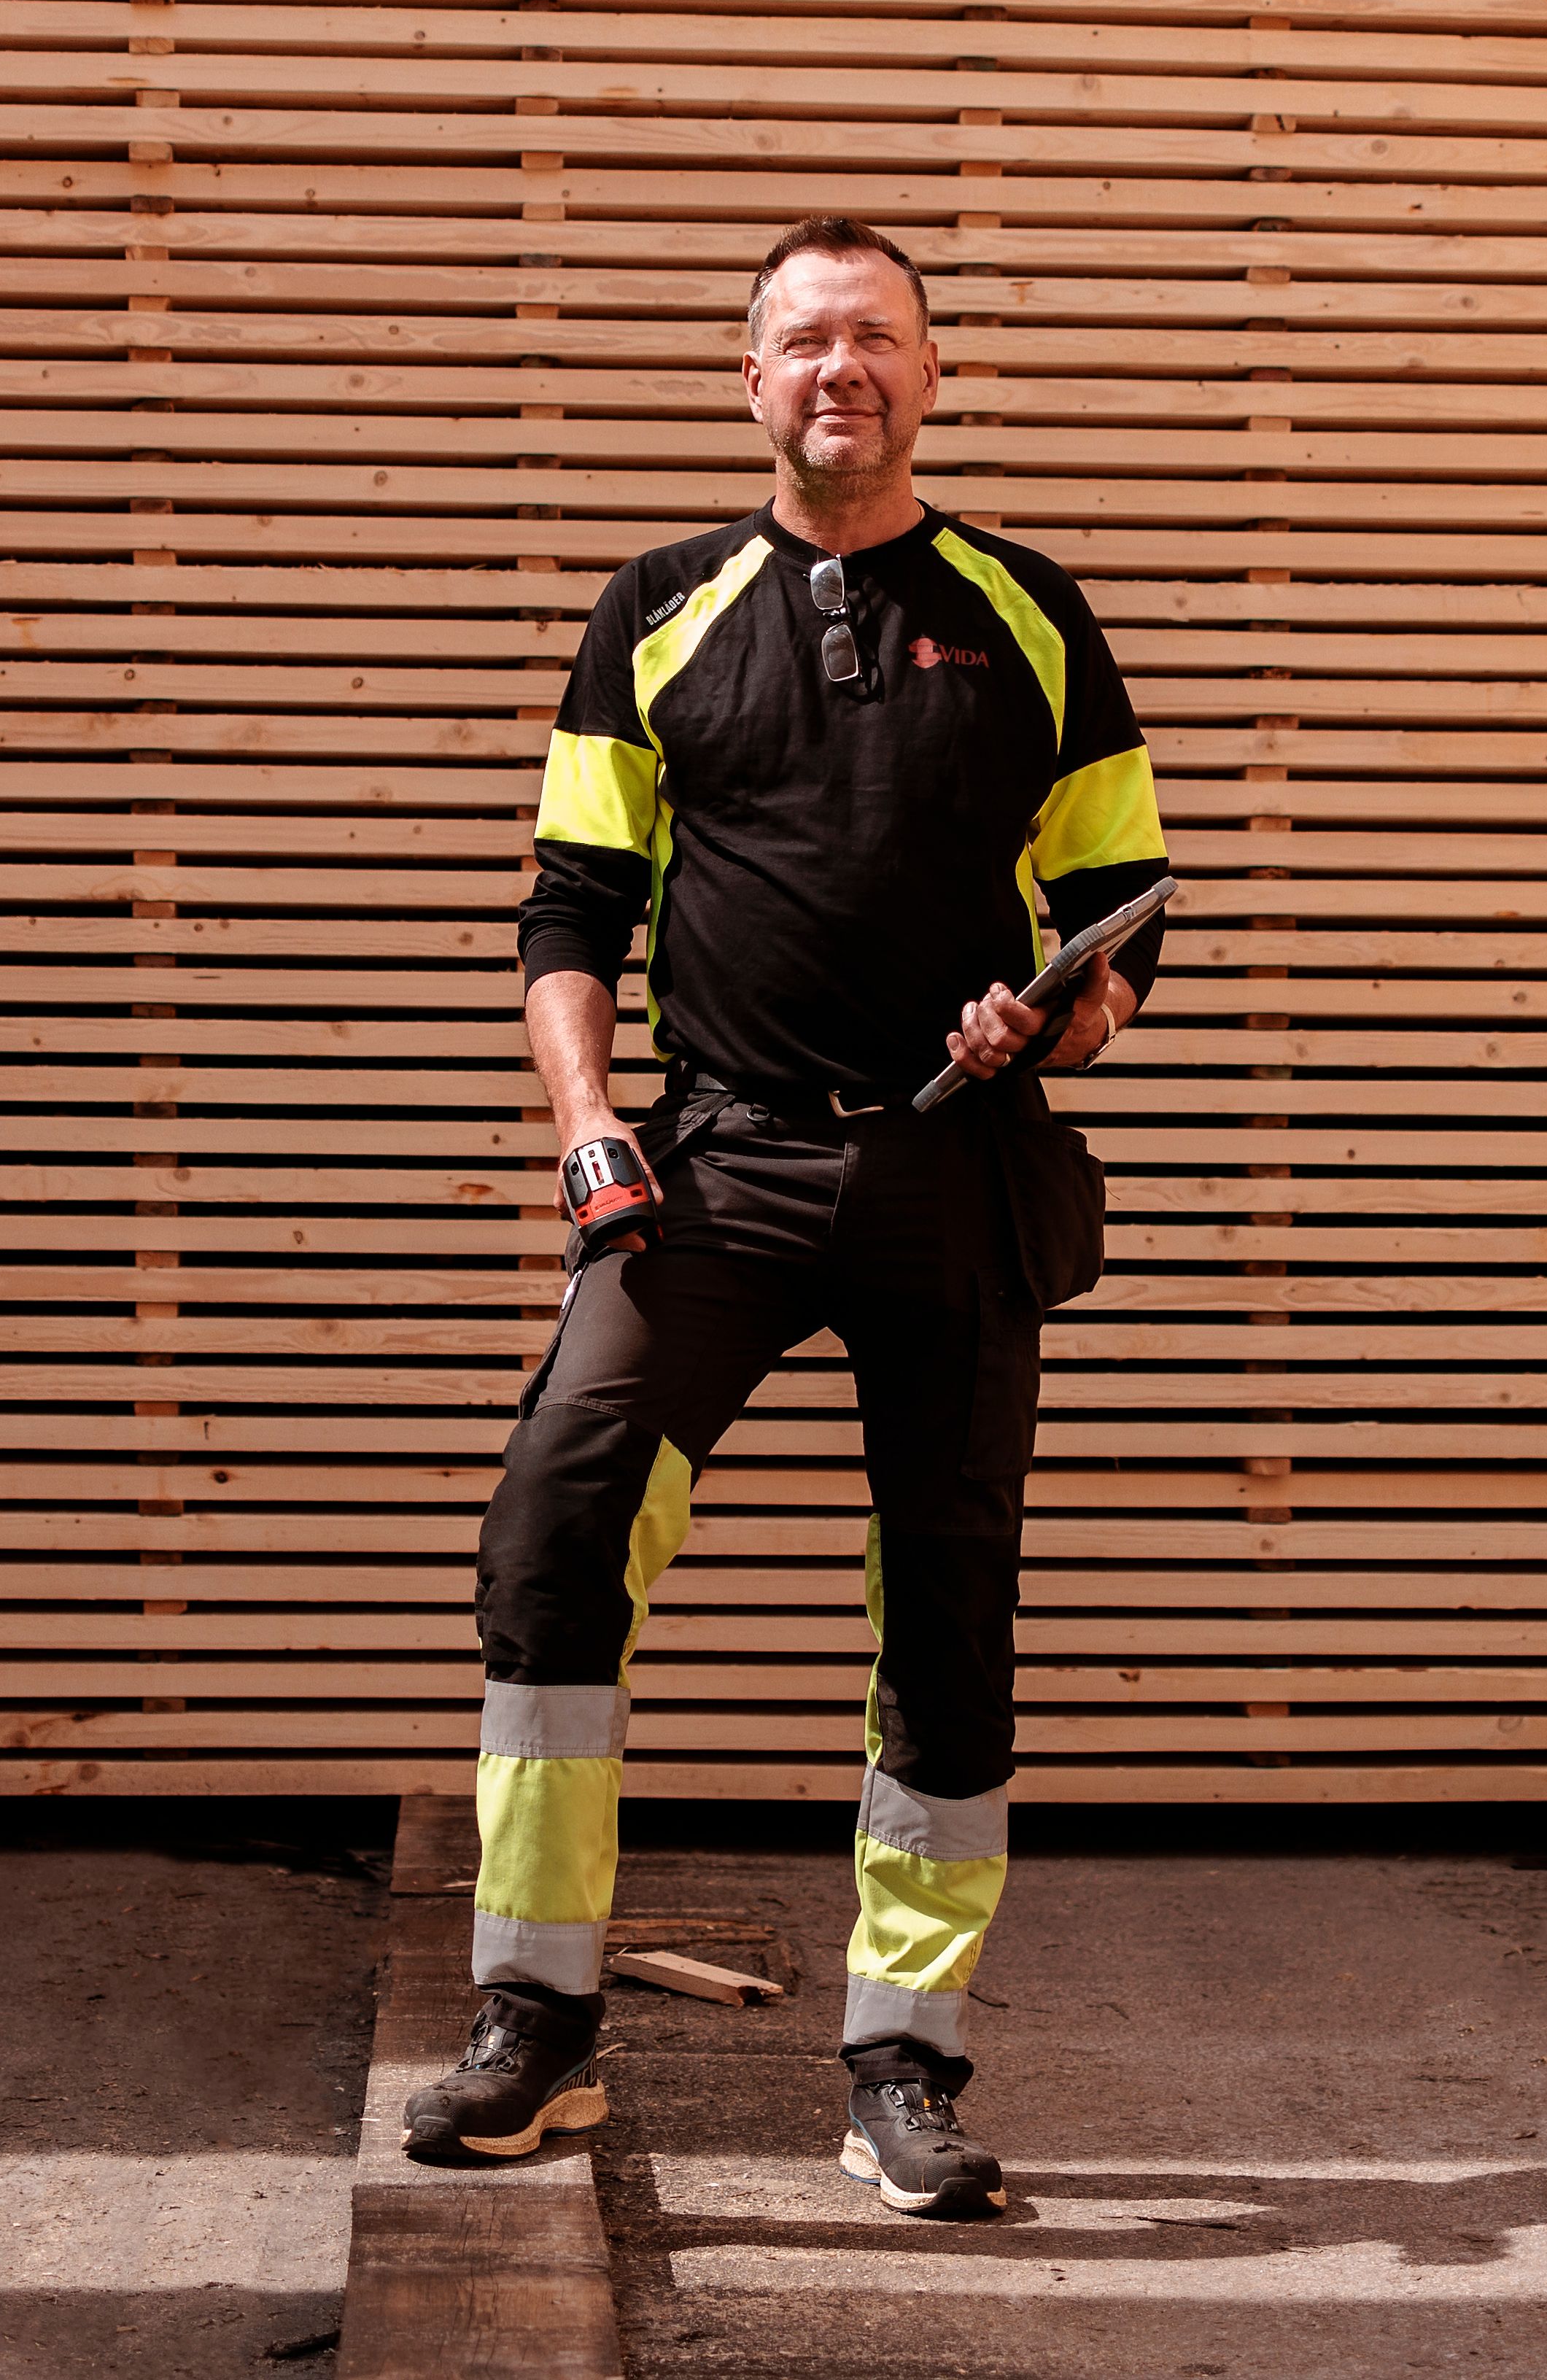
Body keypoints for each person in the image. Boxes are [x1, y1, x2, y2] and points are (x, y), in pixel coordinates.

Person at [398, 216, 1174, 2221]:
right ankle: (537, 2024)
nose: (845, 369)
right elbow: (572, 908)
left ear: (933, 376)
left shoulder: (1031, 611)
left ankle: (904, 2064)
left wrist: (1058, 1017)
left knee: (953, 1607)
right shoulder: (658, 610)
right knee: (562, 1520)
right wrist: (591, 1127)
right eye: (805, 340)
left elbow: (1124, 931)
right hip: (716, 1164)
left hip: (953, 1174)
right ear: (750, 379)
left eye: (881, 339)